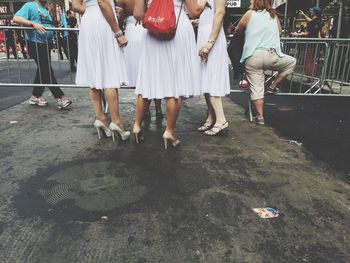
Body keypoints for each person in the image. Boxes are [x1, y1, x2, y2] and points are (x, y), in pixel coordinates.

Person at [133, 0, 208, 148]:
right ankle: (169, 131)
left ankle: (136, 126)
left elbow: (138, 14)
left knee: (148, 81)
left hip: (154, 29)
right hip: (176, 27)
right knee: (175, 83)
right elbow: (194, 12)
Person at [73, 0, 130, 142]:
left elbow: (75, 6)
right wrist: (117, 32)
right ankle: (116, 122)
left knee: (94, 73)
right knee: (110, 73)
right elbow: (102, 2)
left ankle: (100, 118)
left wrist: (94, 10)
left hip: (88, 22)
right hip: (102, 22)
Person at [235, 0, 296, 125]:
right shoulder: (273, 15)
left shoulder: (249, 14)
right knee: (291, 62)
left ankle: (260, 117)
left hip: (253, 56)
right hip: (271, 54)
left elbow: (238, 29)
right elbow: (279, 31)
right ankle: (273, 86)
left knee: (257, 88)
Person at [13, 0, 72, 109]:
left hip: (46, 44)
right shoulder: (29, 6)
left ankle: (35, 96)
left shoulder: (45, 9)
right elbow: (16, 18)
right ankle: (60, 97)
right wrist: (32, 23)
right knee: (47, 70)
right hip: (35, 43)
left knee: (42, 70)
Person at [116, 0, 163, 120]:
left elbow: (119, 17)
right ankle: (158, 107)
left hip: (132, 33)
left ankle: (145, 109)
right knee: (153, 72)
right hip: (150, 29)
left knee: (140, 74)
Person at [197, 0, 230, 135]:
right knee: (206, 76)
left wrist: (210, 42)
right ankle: (212, 116)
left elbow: (220, 13)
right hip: (205, 32)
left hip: (212, 36)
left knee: (212, 75)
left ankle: (221, 120)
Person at [292, 7, 322, 81]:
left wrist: (297, 34)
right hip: (316, 43)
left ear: (314, 13)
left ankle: (310, 77)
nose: (310, 12)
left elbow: (307, 32)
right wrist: (304, 15)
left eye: (312, 12)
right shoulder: (318, 21)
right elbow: (311, 21)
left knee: (309, 61)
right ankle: (311, 76)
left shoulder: (312, 22)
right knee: (312, 60)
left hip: (310, 44)